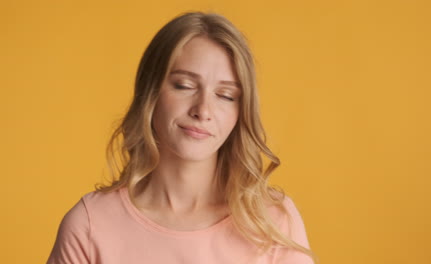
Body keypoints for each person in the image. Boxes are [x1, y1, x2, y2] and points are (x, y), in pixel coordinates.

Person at [47, 11, 316, 264]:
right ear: (150, 92)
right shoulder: (90, 224)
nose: (203, 111)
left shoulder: (273, 221)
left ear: (240, 111)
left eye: (225, 95)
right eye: (184, 86)